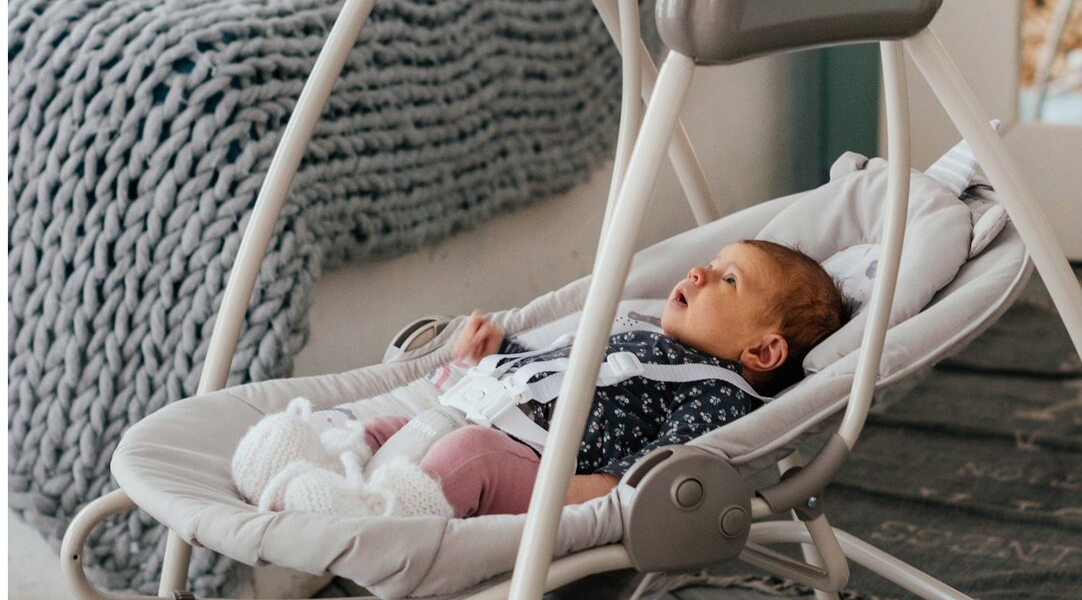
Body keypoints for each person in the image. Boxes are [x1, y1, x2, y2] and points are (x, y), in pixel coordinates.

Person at [232, 240, 848, 520]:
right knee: (395, 428)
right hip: (482, 412)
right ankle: (315, 462)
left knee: (468, 458)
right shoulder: (638, 330)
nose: (698, 272)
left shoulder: (720, 392)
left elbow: (675, 457)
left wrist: (603, 490)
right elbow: (557, 366)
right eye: (710, 263)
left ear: (763, 351)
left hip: (540, 464)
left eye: (728, 280)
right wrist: (502, 350)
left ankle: (376, 514)